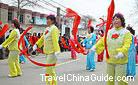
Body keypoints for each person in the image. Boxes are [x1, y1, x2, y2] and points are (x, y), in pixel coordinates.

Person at [91, 13, 132, 85]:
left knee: (121, 81)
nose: (115, 21)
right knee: (109, 81)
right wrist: (95, 46)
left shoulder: (126, 32)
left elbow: (127, 44)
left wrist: (122, 52)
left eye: (117, 19)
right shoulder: (109, 32)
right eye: (114, 19)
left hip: (121, 61)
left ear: (122, 21)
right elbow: (102, 40)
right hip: (110, 60)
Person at [33, 15, 60, 85]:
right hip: (47, 53)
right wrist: (36, 45)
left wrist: (57, 50)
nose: (47, 20)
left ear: (52, 21)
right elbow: (42, 38)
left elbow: (55, 40)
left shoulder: (54, 28)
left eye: (48, 19)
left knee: (48, 71)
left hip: (52, 53)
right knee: (51, 71)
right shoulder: (47, 29)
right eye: (47, 19)